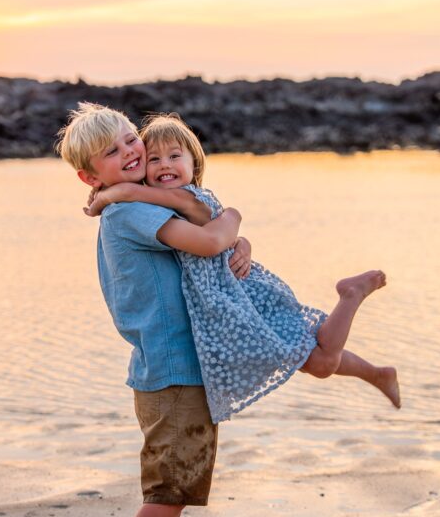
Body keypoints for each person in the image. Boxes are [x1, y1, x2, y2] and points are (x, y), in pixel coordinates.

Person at [56, 102, 248, 517]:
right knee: (166, 491)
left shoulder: (131, 204)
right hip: (172, 370)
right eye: (112, 153)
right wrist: (236, 219)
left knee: (179, 485)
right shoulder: (131, 214)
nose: (130, 151)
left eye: (127, 138)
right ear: (90, 176)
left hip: (171, 367)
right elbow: (211, 238)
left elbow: (199, 227)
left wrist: (238, 239)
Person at [86, 113, 401, 425]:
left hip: (242, 297)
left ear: (194, 164)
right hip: (230, 302)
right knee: (311, 353)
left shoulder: (189, 196)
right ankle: (376, 373)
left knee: (319, 360)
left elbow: (200, 225)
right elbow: (209, 233)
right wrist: (241, 240)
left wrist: (117, 193)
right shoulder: (161, 205)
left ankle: (351, 295)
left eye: (175, 156)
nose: (165, 164)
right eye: (154, 159)